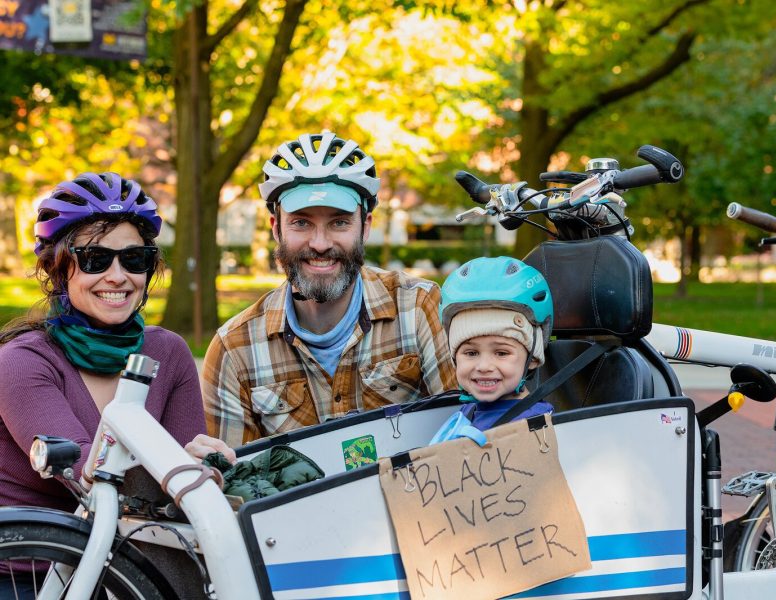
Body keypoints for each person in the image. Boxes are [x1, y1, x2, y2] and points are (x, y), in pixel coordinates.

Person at [195, 132, 456, 451]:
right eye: (301, 223)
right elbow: (235, 479)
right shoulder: (234, 350)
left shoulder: (419, 308)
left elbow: (468, 436)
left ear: (366, 226)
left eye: (339, 223)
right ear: (276, 228)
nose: (320, 244)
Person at [0, 172, 207, 517]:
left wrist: (209, 462)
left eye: (134, 258)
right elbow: (90, 475)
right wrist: (184, 466)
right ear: (57, 268)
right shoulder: (21, 362)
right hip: (33, 549)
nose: (118, 276)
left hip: (134, 548)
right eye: (95, 258)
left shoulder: (168, 353)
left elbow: (186, 491)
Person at [430, 256, 554, 443]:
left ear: (533, 358)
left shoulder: (534, 428)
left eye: (501, 353)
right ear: (454, 357)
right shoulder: (470, 410)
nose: (484, 366)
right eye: (471, 353)